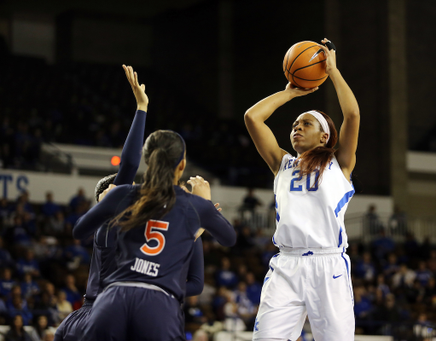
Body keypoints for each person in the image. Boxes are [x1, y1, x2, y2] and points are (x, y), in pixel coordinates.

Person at [245, 38, 359, 341]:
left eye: (306, 123)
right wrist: (290, 93)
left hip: (328, 263)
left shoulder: (340, 163)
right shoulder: (281, 163)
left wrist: (332, 72)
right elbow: (252, 117)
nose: (296, 127)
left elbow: (352, 116)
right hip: (287, 263)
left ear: (324, 137)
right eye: (294, 123)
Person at [74, 127, 235, 340]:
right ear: (182, 165)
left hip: (112, 301)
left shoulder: (126, 196)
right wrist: (205, 205)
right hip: (155, 303)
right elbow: (229, 238)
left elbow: (79, 230)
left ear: (149, 161)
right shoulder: (191, 207)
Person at [53, 65, 148, 341]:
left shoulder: (121, 223)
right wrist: (141, 107)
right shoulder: (109, 215)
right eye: (120, 188)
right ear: (102, 197)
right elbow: (130, 163)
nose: (126, 191)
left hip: (86, 315)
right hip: (101, 314)